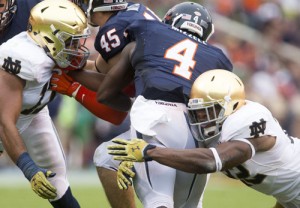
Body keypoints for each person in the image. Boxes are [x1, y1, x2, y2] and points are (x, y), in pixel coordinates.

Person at [71, 2, 232, 207]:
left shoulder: (149, 30)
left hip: (154, 116)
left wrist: (73, 75)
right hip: (197, 131)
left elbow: (105, 93)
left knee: (157, 200)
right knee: (187, 205)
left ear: (170, 20)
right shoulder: (219, 58)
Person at [108, 69, 300, 208]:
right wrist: (141, 165)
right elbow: (182, 152)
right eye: (198, 112)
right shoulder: (216, 129)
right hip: (290, 194)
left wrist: (149, 152)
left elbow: (211, 161)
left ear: (231, 106)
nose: (201, 118)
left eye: (208, 111)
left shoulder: (246, 120)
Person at [51, 1, 161, 207]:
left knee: (109, 159)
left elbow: (115, 91)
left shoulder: (112, 30)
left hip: (160, 113)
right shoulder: (135, 11)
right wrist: (76, 68)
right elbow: (105, 69)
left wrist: (72, 79)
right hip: (169, 104)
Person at [0, 0, 91, 207]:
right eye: (71, 43)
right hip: (8, 109)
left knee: (56, 182)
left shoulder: (40, 13)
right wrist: (28, 167)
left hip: (31, 111)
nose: (76, 49)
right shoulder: (22, 57)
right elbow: (5, 120)